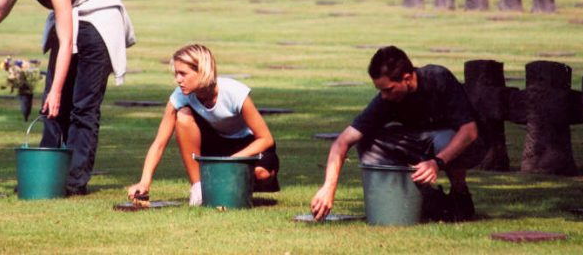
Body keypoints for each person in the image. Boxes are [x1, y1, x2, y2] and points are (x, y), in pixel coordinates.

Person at [0, 0, 135, 196]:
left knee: (83, 107)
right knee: (51, 108)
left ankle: (74, 181)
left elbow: (66, 40)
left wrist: (56, 90)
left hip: (98, 20)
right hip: (73, 21)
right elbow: (1, 8)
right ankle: (45, 175)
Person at [311, 46, 485, 222]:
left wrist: (436, 162)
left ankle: (460, 194)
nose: (384, 96)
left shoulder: (438, 78)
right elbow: (342, 142)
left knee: (445, 139)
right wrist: (328, 188)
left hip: (466, 145)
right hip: (419, 143)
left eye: (388, 89)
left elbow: (469, 131)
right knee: (367, 141)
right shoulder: (386, 101)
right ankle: (425, 198)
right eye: (381, 90)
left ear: (407, 78)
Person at [127, 44, 280, 205]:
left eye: (183, 74)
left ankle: (229, 185)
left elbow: (266, 139)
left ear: (202, 71)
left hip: (248, 143)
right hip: (215, 143)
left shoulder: (234, 92)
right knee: (183, 115)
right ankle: (198, 188)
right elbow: (159, 144)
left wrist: (229, 163)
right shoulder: (179, 97)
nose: (178, 79)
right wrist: (144, 182)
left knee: (261, 174)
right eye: (176, 73)